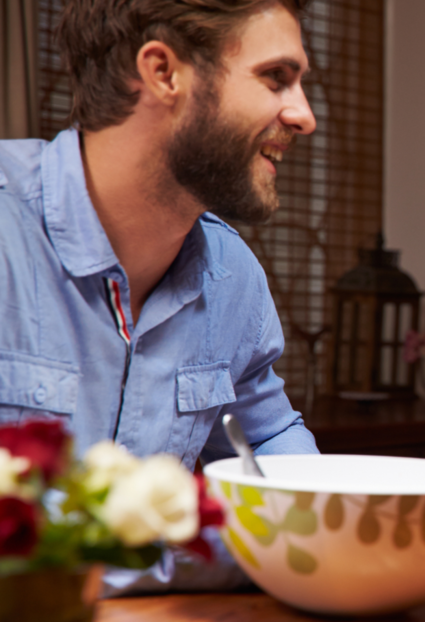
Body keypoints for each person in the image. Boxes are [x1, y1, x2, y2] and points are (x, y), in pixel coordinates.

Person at [0, 0, 319, 594]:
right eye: (275, 77)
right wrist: (223, 555)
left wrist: (334, 522)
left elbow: (266, 435)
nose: (303, 116)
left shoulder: (235, 278)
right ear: (163, 72)